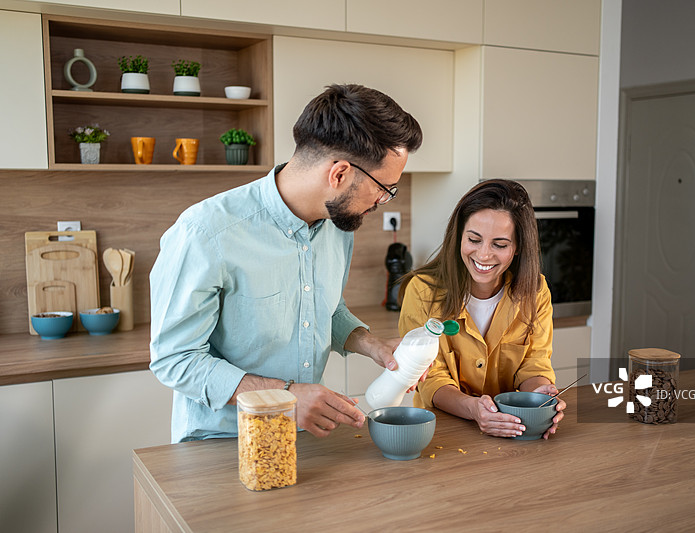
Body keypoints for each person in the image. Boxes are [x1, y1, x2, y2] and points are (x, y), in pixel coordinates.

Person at [150, 84, 423, 442]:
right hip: (221, 443)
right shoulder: (206, 232)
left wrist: (372, 345)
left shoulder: (337, 226)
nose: (383, 201)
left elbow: (327, 309)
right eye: (384, 188)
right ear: (339, 174)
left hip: (303, 437)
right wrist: (285, 396)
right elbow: (175, 359)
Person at [398, 179, 566, 439]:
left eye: (499, 245)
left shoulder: (536, 290)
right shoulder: (422, 291)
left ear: (518, 246)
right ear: (459, 236)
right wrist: (474, 409)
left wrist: (541, 397)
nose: (484, 255)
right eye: (474, 240)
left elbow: (534, 365)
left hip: (513, 431)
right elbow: (431, 379)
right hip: (443, 435)